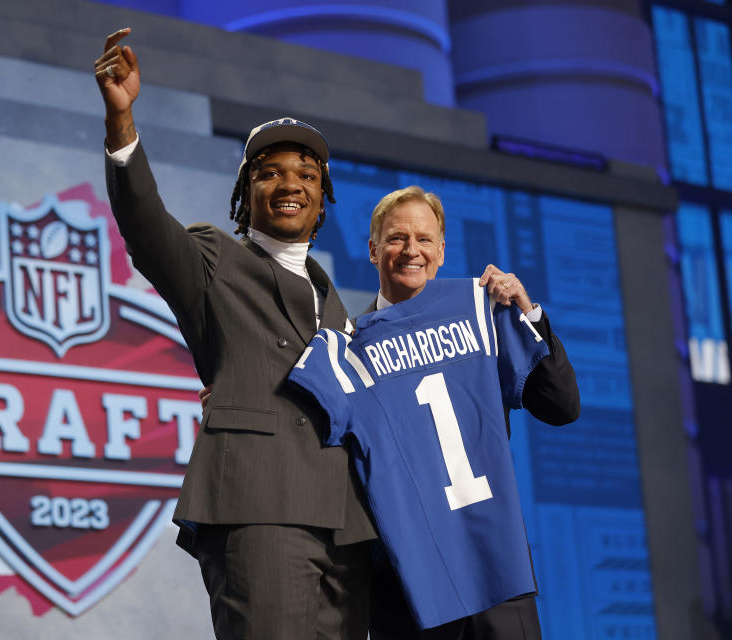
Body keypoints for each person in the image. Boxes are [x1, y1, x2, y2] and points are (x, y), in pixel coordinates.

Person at [95, 28, 376, 640]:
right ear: (246, 194)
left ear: (322, 199)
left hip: (344, 528)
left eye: (306, 173)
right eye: (270, 173)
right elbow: (146, 227)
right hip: (259, 508)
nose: (290, 184)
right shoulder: (214, 260)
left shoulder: (335, 302)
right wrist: (122, 126)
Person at [363, 186, 579, 639]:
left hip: (497, 569)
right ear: (373, 249)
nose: (411, 250)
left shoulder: (481, 315)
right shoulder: (350, 350)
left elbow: (561, 406)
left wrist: (527, 313)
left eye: (424, 239)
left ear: (441, 252)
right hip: (410, 588)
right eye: (397, 238)